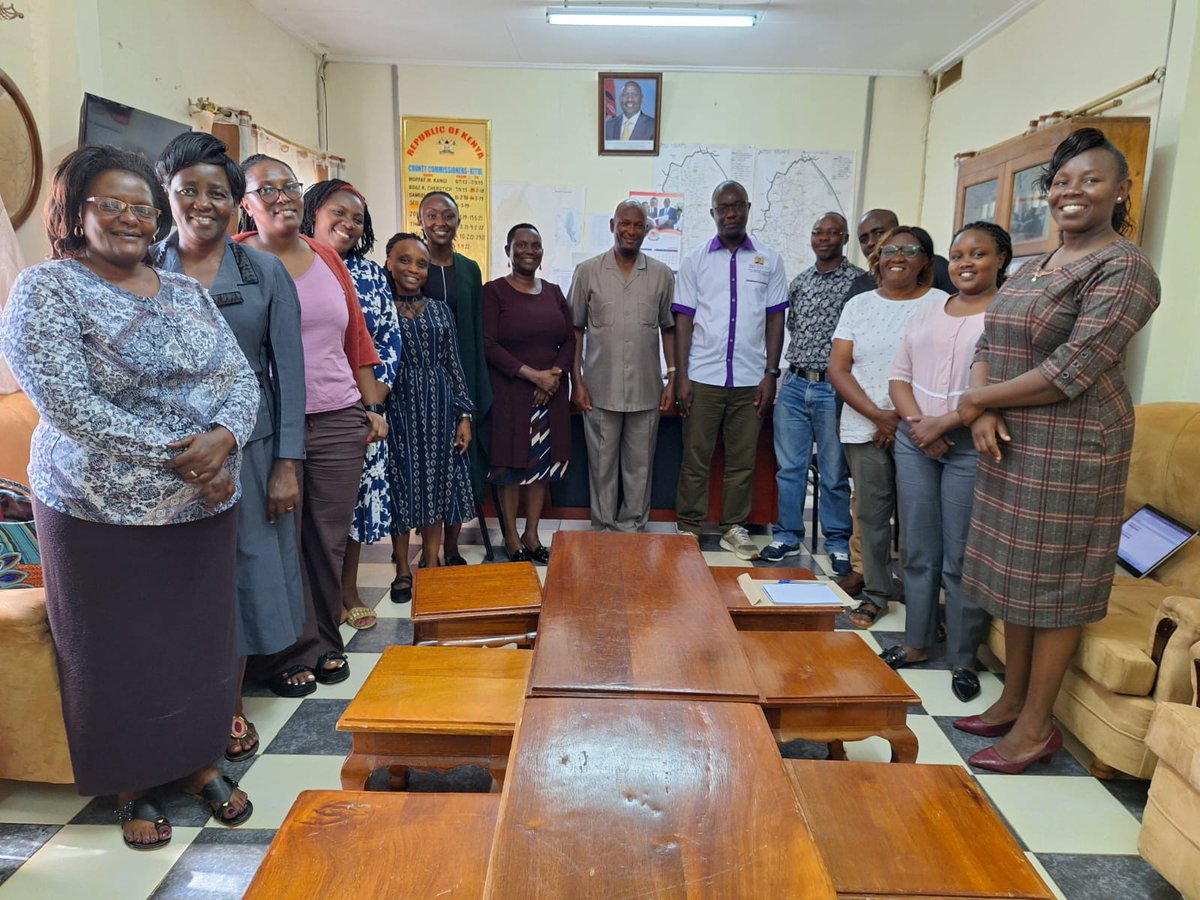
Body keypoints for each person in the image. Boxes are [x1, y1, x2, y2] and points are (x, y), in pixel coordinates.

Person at [1, 145, 259, 848]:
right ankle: (131, 782)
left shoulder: (184, 289)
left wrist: (226, 438)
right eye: (110, 204)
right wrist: (187, 457)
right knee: (114, 649)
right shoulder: (46, 290)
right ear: (75, 211)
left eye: (142, 208)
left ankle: (200, 761)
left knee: (196, 643)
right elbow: (68, 404)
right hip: (94, 509)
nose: (129, 219)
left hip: (201, 503)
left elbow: (240, 379)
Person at [954, 128, 1160, 773]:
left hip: (1074, 449)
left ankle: (1039, 727)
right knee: (1017, 582)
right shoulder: (1032, 266)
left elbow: (1074, 367)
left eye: (1091, 180)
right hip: (1013, 441)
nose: (1073, 192)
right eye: (1063, 182)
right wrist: (981, 401)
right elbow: (990, 341)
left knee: (1058, 587)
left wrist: (984, 404)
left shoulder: (1125, 268)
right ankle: (1012, 699)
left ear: (1121, 190)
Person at [152, 132, 307, 763]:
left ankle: (229, 702)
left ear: (239, 202)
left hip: (251, 447)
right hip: (165, 455)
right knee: (178, 578)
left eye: (218, 191)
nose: (203, 203)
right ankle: (177, 702)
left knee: (244, 572)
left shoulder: (264, 271)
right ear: (168, 195)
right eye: (189, 190)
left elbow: (288, 373)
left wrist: (287, 463)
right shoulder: (140, 266)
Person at [235, 155, 385, 696]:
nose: (281, 196)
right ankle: (285, 652)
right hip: (270, 425)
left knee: (326, 540)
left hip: (339, 417)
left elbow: (357, 338)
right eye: (265, 188)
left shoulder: (324, 255)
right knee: (281, 541)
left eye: (289, 185)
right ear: (245, 202)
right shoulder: (235, 261)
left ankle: (324, 641)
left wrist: (371, 408)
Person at [880, 221, 1013, 702]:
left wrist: (944, 425)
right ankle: (916, 642)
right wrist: (920, 425)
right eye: (958, 255)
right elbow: (899, 378)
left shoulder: (1008, 313)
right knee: (918, 549)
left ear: (1000, 258)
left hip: (969, 448)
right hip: (917, 441)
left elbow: (999, 387)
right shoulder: (930, 310)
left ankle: (962, 656)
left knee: (962, 557)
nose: (965, 263)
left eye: (978, 254)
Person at [828, 225, 949, 628]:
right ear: (877, 259)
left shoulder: (942, 304)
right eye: (889, 250)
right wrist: (879, 415)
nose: (897, 257)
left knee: (919, 519)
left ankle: (920, 600)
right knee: (872, 516)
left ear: (925, 262)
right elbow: (839, 369)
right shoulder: (858, 305)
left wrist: (900, 418)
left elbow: (946, 369)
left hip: (921, 427)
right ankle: (877, 593)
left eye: (909, 250)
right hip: (865, 425)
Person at [301, 178, 402, 625]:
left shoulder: (369, 275)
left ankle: (346, 589)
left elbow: (386, 339)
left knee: (354, 503)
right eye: (337, 213)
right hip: (299, 410)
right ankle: (308, 604)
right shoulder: (282, 263)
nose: (348, 223)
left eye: (357, 218)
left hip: (359, 409)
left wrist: (371, 404)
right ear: (314, 214)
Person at [673, 181, 787, 559]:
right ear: (713, 213)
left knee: (742, 460)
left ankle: (732, 528)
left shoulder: (769, 260)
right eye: (722, 207)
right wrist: (683, 376)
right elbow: (684, 321)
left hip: (750, 378)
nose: (730, 212)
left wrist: (771, 374)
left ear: (748, 208)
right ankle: (688, 527)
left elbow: (775, 320)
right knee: (696, 458)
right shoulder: (695, 260)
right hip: (703, 377)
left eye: (736, 205)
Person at [761, 212, 860, 573]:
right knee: (790, 469)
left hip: (833, 389)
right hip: (794, 384)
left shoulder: (859, 284)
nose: (824, 238)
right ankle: (787, 535)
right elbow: (793, 330)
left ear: (845, 238)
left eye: (832, 233)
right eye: (818, 232)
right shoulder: (800, 282)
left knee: (833, 471)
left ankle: (837, 542)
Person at [569, 199, 675, 532]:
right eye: (625, 224)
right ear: (613, 225)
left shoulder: (661, 274)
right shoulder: (587, 272)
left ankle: (632, 527)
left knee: (639, 465)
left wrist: (671, 377)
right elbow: (575, 329)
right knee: (600, 465)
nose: (631, 231)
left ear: (648, 230)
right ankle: (602, 527)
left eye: (638, 225)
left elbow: (668, 328)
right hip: (599, 388)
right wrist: (577, 380)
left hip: (646, 388)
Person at [382, 233, 475, 600]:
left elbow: (454, 365)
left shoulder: (440, 310)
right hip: (396, 404)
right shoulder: (380, 308)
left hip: (439, 403)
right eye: (405, 260)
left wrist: (464, 415)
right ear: (389, 263)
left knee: (436, 482)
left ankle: (431, 562)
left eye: (421, 264)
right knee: (401, 482)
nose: (414, 269)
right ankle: (403, 568)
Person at [484, 223, 576, 563]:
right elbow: (488, 344)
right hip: (510, 395)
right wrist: (533, 377)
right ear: (507, 251)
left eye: (535, 245)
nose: (528, 250)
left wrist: (553, 375)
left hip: (549, 398)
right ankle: (510, 536)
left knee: (542, 468)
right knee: (510, 468)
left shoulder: (553, 292)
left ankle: (532, 534)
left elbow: (569, 339)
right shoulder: (493, 292)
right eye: (520, 244)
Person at [418, 190, 492, 565]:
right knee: (425, 464)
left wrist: (476, 384)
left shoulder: (469, 269)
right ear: (421, 221)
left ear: (459, 222)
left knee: (458, 463)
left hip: (460, 378)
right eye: (432, 216)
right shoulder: (412, 263)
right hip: (421, 381)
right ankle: (423, 554)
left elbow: (476, 330)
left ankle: (451, 545)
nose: (440, 223)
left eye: (448, 216)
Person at [846, 209, 954, 299]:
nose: (871, 242)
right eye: (864, 239)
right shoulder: (858, 288)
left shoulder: (937, 266)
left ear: (897, 231)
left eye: (879, 233)